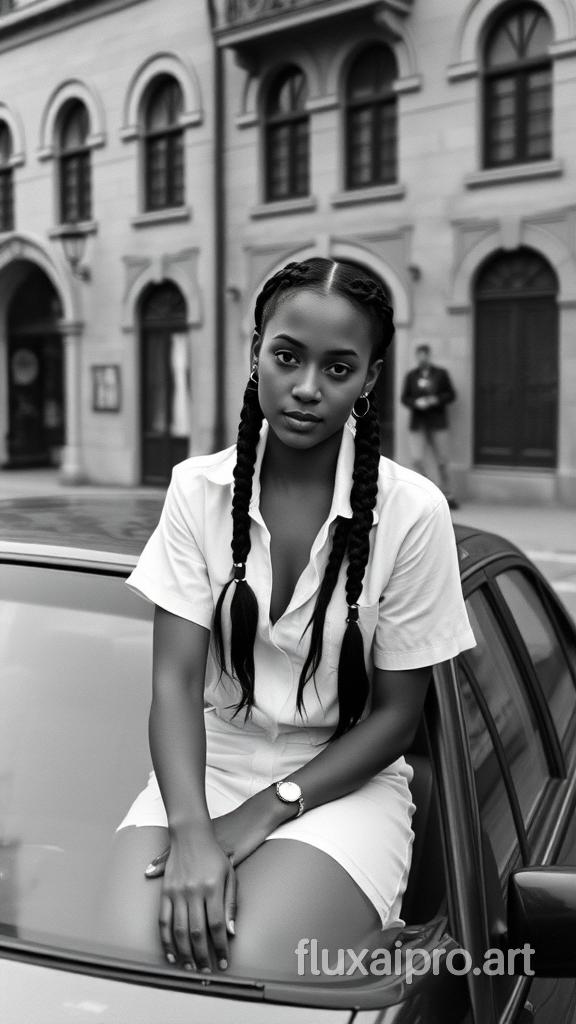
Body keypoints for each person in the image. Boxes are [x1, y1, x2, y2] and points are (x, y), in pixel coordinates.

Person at [98, 258, 475, 981]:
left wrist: (269, 809)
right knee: (120, 956)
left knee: (253, 962)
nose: (307, 387)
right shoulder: (197, 490)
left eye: (338, 367)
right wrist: (192, 830)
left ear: (369, 379)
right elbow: (174, 683)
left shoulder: (413, 512)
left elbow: (397, 718)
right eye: (288, 357)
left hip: (342, 782)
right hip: (206, 768)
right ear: (256, 353)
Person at [401, 344, 459, 509]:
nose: (422, 358)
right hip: (418, 422)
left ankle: (448, 493)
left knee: (442, 460)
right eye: (419, 355)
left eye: (424, 355)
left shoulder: (440, 374)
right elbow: (405, 398)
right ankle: (430, 492)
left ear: (428, 356)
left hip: (437, 421)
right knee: (417, 458)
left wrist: (435, 400)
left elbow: (451, 394)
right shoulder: (411, 376)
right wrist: (415, 402)